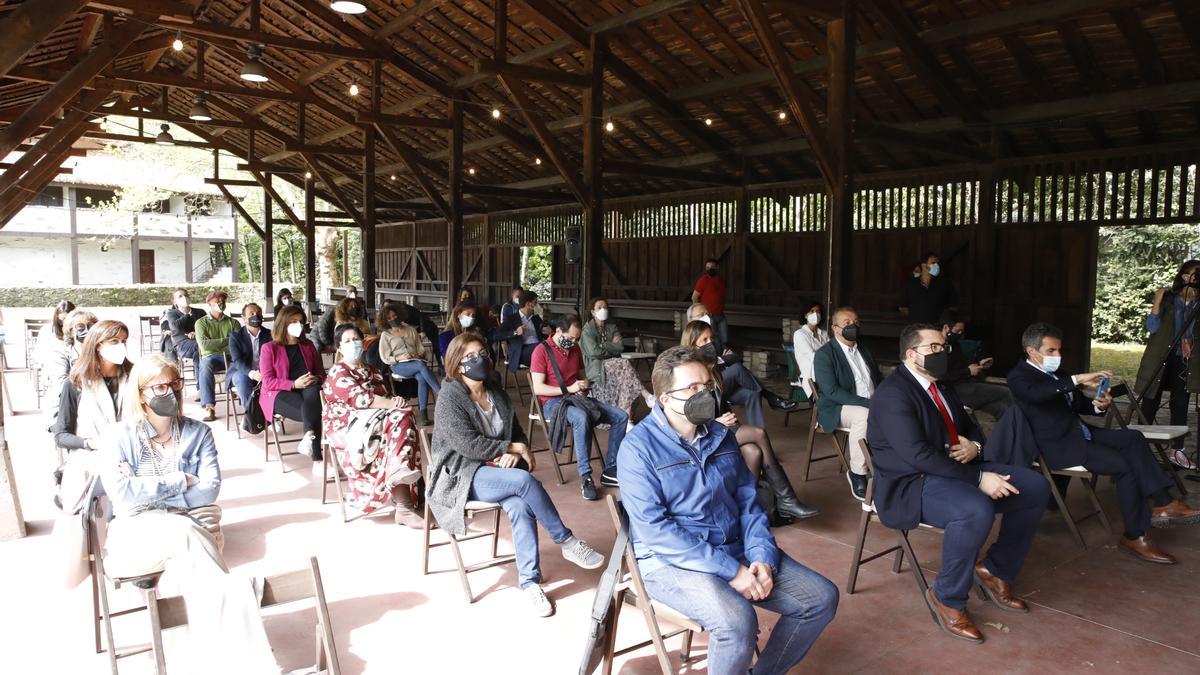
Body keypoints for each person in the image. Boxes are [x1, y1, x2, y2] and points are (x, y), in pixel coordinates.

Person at [618, 346, 838, 674]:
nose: (704, 394)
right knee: (737, 623)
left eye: (707, 386)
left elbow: (748, 503)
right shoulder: (638, 449)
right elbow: (656, 531)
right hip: (670, 561)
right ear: (665, 398)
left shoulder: (722, 436)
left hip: (735, 548)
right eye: (692, 388)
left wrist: (761, 556)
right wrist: (731, 571)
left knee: (821, 598)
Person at [867, 324, 1049, 644]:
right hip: (911, 483)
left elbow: (971, 427)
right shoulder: (893, 394)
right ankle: (947, 597)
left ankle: (995, 571)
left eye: (945, 347)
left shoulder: (942, 385)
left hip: (954, 469)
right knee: (975, 509)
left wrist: (974, 448)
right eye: (934, 348)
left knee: (1035, 487)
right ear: (911, 355)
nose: (944, 353)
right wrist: (980, 478)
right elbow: (917, 455)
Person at [99, 354, 279, 673]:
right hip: (138, 535)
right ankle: (246, 651)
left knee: (182, 573)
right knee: (185, 531)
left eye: (176, 384)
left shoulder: (198, 433)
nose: (171, 392)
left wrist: (151, 494)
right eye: (160, 387)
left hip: (190, 533)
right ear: (141, 393)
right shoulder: (119, 436)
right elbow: (122, 496)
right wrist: (181, 481)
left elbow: (209, 489)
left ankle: (192, 661)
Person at [429, 333, 605, 616]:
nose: (480, 360)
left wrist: (512, 450)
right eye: (471, 357)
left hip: (498, 468)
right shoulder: (450, 396)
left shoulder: (494, 389)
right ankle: (567, 541)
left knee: (520, 506)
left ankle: (530, 582)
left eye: (482, 353)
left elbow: (515, 430)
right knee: (524, 482)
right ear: (457, 363)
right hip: (462, 472)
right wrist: (511, 447)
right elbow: (467, 444)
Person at [1008, 322, 1200, 564]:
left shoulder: (1060, 374)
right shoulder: (1019, 377)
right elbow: (1038, 394)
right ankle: (1136, 535)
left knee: (1133, 437)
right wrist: (1077, 379)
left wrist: (1099, 406)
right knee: (1125, 466)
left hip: (1080, 433)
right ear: (1031, 351)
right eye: (1051, 351)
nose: (1058, 356)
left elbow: (1079, 406)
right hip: (1057, 447)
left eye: (1059, 350)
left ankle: (1163, 503)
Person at [682, 320, 819, 522]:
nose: (711, 342)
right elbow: (687, 418)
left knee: (753, 452)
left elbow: (719, 401)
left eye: (712, 338)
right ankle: (787, 499)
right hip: (703, 435)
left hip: (722, 427)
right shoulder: (687, 375)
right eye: (705, 340)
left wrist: (725, 418)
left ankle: (746, 509)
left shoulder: (712, 367)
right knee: (759, 434)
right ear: (693, 344)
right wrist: (717, 422)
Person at [322, 324, 423, 527]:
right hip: (347, 425)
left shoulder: (372, 370)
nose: (354, 344)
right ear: (339, 347)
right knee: (396, 424)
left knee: (403, 417)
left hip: (377, 419)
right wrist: (393, 405)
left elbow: (385, 396)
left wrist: (396, 402)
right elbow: (361, 400)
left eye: (356, 339)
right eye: (348, 341)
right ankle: (403, 503)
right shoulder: (338, 372)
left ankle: (400, 480)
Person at [530, 315, 628, 500]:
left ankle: (610, 469)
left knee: (621, 416)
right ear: (558, 331)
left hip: (576, 398)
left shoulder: (574, 349)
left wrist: (584, 386)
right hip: (553, 403)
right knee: (581, 417)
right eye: (571, 338)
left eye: (577, 339)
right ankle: (586, 476)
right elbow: (537, 388)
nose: (574, 342)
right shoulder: (540, 351)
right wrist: (569, 388)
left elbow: (582, 377)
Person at [1135, 259, 1200, 470]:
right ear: (1182, 276)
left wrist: (1190, 342)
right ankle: (1138, 448)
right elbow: (1152, 327)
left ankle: (1177, 451)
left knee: (1180, 403)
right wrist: (1157, 300)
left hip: (1185, 360)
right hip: (1160, 358)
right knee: (1150, 401)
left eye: (1196, 275)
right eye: (1189, 274)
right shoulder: (1169, 300)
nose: (1192, 279)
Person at [687, 303, 800, 422]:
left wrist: (721, 360)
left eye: (707, 314)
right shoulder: (689, 339)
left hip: (725, 383)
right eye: (701, 314)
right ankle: (770, 397)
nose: (706, 317)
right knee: (736, 369)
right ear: (690, 320)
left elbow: (735, 357)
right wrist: (721, 359)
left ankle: (758, 433)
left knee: (753, 394)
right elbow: (708, 364)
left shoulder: (714, 336)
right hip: (709, 387)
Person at [813, 306, 881, 501]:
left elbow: (878, 379)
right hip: (838, 407)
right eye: (847, 323)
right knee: (864, 416)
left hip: (871, 403)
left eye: (856, 322)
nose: (854, 326)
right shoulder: (825, 354)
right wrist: (868, 404)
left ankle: (889, 469)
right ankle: (858, 473)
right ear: (835, 328)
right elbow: (832, 391)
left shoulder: (864, 350)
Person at [53, 319, 133, 457]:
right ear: (97, 345)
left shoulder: (134, 377)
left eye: (123, 341)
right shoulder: (75, 383)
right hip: (90, 461)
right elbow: (61, 435)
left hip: (132, 456)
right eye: (114, 341)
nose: (121, 346)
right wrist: (90, 443)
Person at [260, 305, 326, 461]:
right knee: (315, 410)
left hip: (308, 390)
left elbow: (321, 374)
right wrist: (294, 384)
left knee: (313, 391)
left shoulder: (308, 345)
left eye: (301, 321)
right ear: (283, 323)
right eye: (293, 321)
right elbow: (268, 381)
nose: (298, 325)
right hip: (279, 392)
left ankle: (309, 436)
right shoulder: (269, 348)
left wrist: (315, 378)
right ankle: (317, 459)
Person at [580, 297, 654, 419]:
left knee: (626, 377)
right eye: (599, 308)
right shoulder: (587, 330)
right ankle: (646, 395)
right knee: (624, 363)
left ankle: (627, 420)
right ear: (593, 312)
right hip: (596, 367)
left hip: (612, 365)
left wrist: (602, 345)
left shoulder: (611, 327)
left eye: (605, 307)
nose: (603, 310)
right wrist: (610, 346)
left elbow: (620, 347)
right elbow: (594, 352)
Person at [936, 310, 1010, 420]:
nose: (960, 334)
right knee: (1006, 392)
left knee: (1002, 409)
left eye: (962, 331)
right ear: (946, 328)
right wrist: (967, 371)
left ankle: (1006, 435)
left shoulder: (954, 345)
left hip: (966, 386)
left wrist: (979, 365)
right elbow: (940, 376)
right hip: (952, 390)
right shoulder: (936, 348)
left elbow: (961, 367)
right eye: (958, 331)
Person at [379, 304, 440, 426]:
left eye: (395, 316)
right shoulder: (385, 335)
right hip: (398, 365)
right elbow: (385, 357)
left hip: (416, 361)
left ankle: (423, 415)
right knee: (421, 367)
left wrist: (418, 354)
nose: (393, 319)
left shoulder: (411, 330)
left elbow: (421, 348)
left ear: (400, 315)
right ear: (385, 320)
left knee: (422, 376)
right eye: (389, 318)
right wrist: (399, 357)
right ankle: (441, 392)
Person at [41, 309, 96, 427]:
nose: (87, 330)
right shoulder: (61, 353)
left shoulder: (99, 352)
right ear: (71, 332)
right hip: (65, 407)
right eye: (80, 327)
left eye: (91, 326)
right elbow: (61, 384)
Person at [194, 290, 239, 422]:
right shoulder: (201, 323)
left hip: (231, 356)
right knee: (204, 365)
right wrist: (227, 340)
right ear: (209, 304)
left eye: (222, 301)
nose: (220, 303)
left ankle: (246, 400)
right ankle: (209, 407)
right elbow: (204, 346)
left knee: (245, 363)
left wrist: (215, 342)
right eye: (217, 301)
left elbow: (237, 343)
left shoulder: (233, 323)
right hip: (212, 357)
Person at [227, 302, 270, 426]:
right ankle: (252, 416)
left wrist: (264, 372)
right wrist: (251, 373)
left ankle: (270, 415)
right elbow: (237, 361)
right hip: (242, 372)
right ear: (244, 318)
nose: (255, 316)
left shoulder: (270, 334)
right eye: (251, 313)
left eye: (258, 313)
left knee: (274, 379)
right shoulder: (236, 336)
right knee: (242, 379)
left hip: (264, 372)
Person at [495, 289, 548, 374]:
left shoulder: (536, 318)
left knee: (549, 347)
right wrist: (515, 332)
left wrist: (548, 332)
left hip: (539, 349)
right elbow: (496, 335)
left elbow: (544, 334)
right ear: (528, 304)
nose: (538, 305)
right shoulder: (511, 319)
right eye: (535, 302)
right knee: (544, 347)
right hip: (521, 352)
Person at [899, 251, 958, 324]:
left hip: (937, 328)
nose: (937, 266)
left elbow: (953, 306)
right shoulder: (910, 284)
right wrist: (916, 319)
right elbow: (903, 308)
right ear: (924, 265)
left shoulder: (945, 284)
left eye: (938, 264)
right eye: (933, 263)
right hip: (916, 328)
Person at [792, 300, 829, 400]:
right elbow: (813, 357)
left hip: (828, 372)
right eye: (811, 311)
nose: (815, 314)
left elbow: (832, 352)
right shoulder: (800, 334)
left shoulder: (824, 334)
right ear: (805, 315)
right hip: (812, 377)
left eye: (818, 311)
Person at [691, 257, 728, 347]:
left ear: (717, 267)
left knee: (725, 339)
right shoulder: (703, 280)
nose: (709, 269)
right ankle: (714, 359)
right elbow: (694, 297)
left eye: (712, 267)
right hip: (709, 316)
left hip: (721, 315)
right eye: (707, 267)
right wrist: (699, 313)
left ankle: (722, 358)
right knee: (712, 340)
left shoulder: (721, 281)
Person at [164, 288, 204, 362]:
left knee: (197, 354)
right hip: (181, 344)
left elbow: (208, 326)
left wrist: (196, 333)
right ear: (174, 301)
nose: (184, 298)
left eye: (185, 295)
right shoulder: (172, 313)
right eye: (180, 296)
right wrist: (187, 314)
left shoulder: (200, 312)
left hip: (199, 340)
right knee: (200, 347)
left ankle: (199, 373)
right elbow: (175, 327)